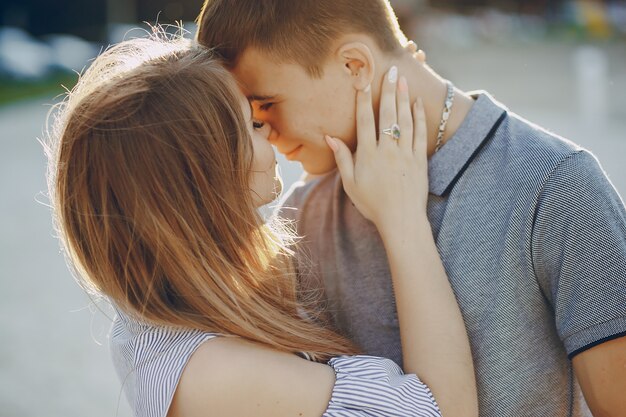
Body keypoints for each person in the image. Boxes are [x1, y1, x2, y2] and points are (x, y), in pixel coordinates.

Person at [196, 0, 626, 415]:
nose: (263, 131)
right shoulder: (300, 219)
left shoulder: (556, 184)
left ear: (355, 66)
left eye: (266, 104)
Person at [46, 35, 478, 417]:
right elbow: (444, 410)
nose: (270, 130)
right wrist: (401, 217)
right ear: (206, 175)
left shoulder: (168, 293)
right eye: (252, 124)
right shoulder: (214, 374)